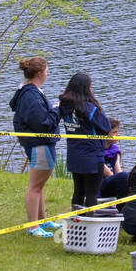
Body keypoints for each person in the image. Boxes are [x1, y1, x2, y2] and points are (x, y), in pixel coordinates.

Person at [9, 56, 61, 239]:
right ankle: (33, 226)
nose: (48, 73)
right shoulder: (31, 95)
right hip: (39, 143)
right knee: (35, 186)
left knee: (40, 184)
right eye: (47, 70)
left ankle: (43, 219)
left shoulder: (30, 90)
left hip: (40, 143)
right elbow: (42, 123)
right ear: (39, 73)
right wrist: (57, 110)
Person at [58, 71, 112, 213]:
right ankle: (90, 225)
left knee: (78, 192)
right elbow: (106, 126)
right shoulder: (89, 108)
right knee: (91, 194)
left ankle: (77, 224)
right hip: (92, 156)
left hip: (74, 154)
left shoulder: (65, 106)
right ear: (86, 88)